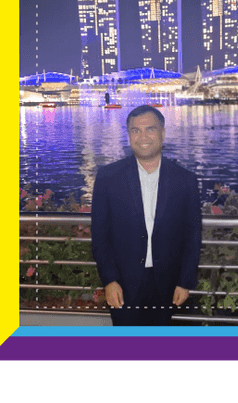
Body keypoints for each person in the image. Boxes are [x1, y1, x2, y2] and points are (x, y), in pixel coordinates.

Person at [90, 105, 202, 326]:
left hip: (170, 284)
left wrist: (185, 282)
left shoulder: (185, 180)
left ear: (162, 133)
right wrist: (109, 280)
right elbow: (100, 235)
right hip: (123, 284)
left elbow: (193, 236)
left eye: (150, 129)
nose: (143, 137)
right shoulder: (108, 177)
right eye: (136, 130)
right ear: (129, 134)